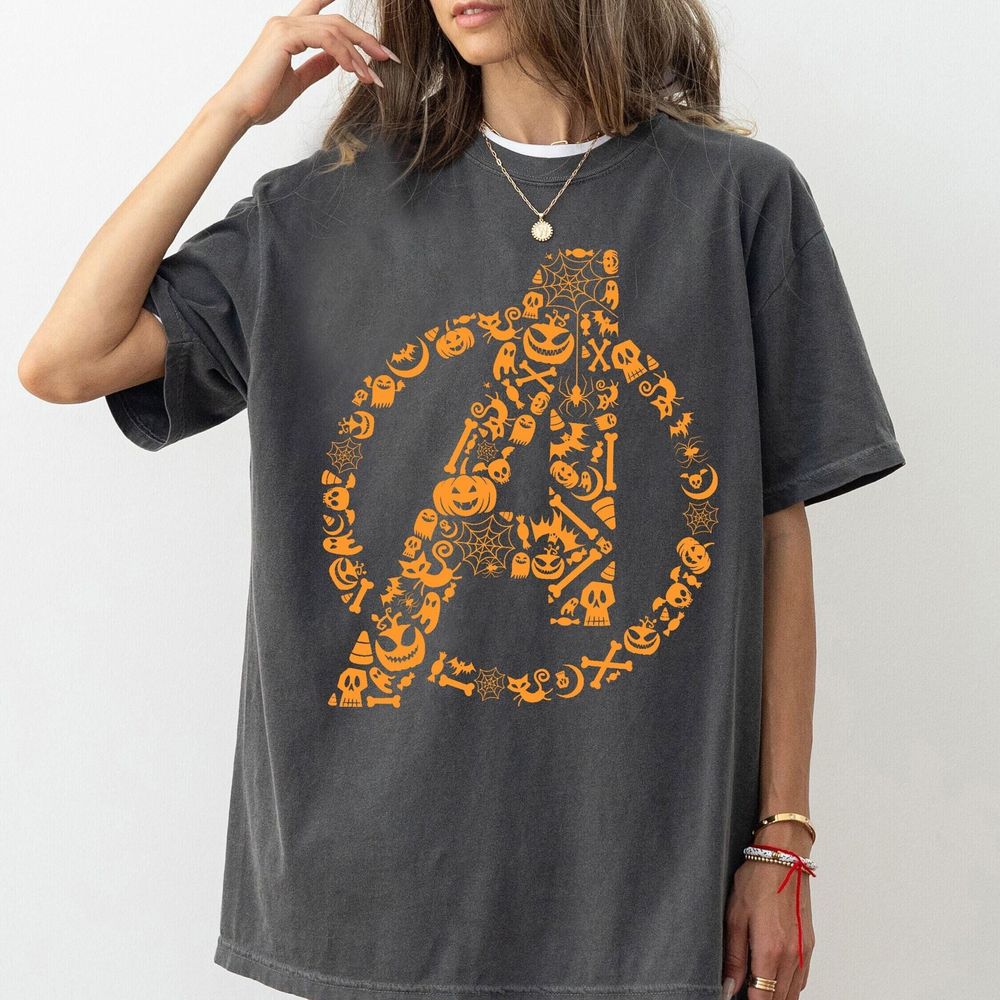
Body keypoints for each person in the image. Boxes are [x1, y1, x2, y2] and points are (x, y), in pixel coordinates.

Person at [17, 2, 906, 999]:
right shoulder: (325, 210)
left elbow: (776, 528)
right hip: (378, 886)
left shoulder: (737, 199)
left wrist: (782, 837)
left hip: (644, 881)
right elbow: (67, 361)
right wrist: (232, 111)